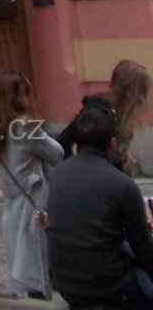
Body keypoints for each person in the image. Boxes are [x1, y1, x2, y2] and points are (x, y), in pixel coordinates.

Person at [46, 103, 153, 308]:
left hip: (66, 284)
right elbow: (143, 249)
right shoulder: (121, 184)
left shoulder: (59, 173)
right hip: (110, 287)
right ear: (112, 143)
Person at [0, 68, 63, 299]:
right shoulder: (24, 127)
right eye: (26, 93)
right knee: (39, 271)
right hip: (33, 207)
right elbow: (58, 152)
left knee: (24, 270)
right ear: (14, 98)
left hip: (14, 208)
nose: (30, 99)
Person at [57, 59, 151, 174]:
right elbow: (62, 142)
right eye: (142, 94)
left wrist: (122, 155)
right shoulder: (97, 114)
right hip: (96, 181)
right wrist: (73, 171)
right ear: (131, 93)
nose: (145, 101)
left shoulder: (117, 113)